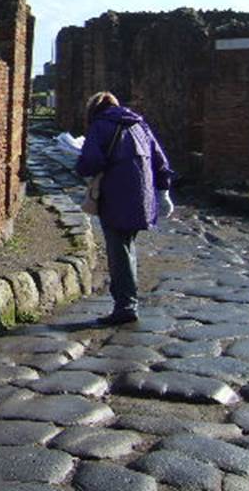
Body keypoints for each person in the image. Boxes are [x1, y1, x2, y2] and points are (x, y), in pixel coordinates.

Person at [76, 91, 174, 325]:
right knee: (127, 247)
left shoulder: (100, 126)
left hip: (115, 195)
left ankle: (126, 306)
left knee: (118, 251)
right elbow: (160, 161)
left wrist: (78, 161)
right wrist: (164, 193)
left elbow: (90, 163)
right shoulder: (140, 125)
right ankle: (128, 301)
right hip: (142, 197)